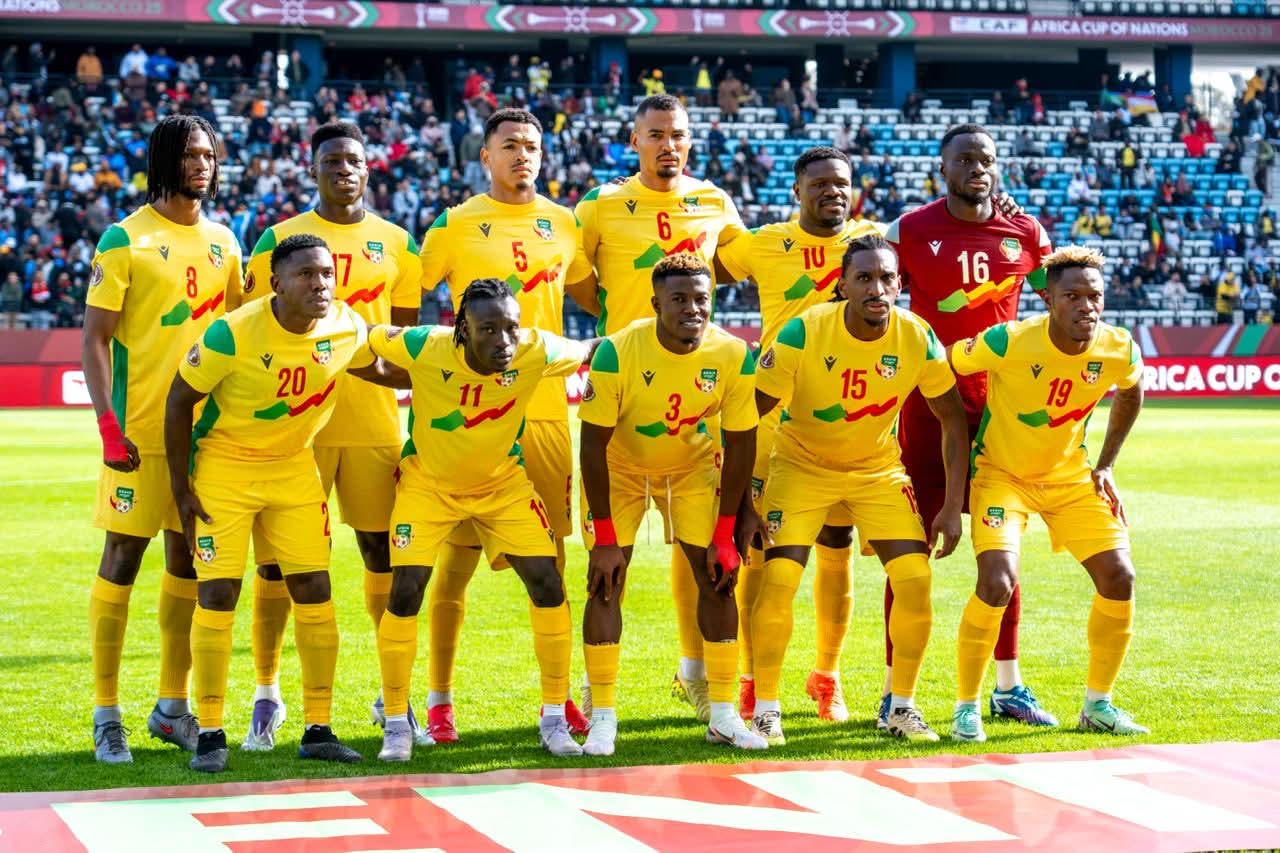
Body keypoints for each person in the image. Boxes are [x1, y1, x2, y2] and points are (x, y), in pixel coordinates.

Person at [163, 234, 395, 772]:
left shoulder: (346, 325)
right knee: (218, 593)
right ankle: (211, 732)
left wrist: (458, 374)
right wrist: (180, 488)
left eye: (326, 274)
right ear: (277, 284)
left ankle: (318, 728)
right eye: (306, 274)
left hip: (293, 467)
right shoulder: (232, 332)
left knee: (314, 588)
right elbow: (179, 399)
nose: (320, 284)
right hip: (225, 467)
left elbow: (379, 369)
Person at [232, 121, 425, 751]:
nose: (344, 169)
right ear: (312, 169)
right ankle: (267, 693)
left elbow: (402, 344)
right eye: (332, 160)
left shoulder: (398, 243)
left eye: (354, 160)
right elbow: (254, 326)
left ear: (369, 169)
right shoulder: (277, 240)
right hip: (295, 427)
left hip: (372, 422)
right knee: (275, 565)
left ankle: (392, 697)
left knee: (382, 554)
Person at [418, 108, 595, 742]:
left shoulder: (565, 223)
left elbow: (590, 296)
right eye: (510, 145)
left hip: (543, 409)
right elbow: (408, 300)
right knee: (456, 563)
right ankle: (439, 700)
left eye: (532, 146)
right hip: (471, 413)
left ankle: (560, 697)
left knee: (550, 561)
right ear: (485, 156)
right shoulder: (454, 224)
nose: (523, 155)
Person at [750, 233, 968, 745]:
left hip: (876, 470)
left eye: (887, 278)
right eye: (864, 278)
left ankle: (902, 707)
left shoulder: (917, 336)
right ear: (843, 284)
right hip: (801, 465)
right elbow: (748, 414)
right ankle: (765, 709)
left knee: (914, 578)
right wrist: (743, 498)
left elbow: (953, 419)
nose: (877, 288)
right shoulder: (804, 331)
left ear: (899, 284)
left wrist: (952, 505)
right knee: (779, 579)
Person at [575, 93, 749, 724]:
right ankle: (595, 689)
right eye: (655, 134)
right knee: (607, 556)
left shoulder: (715, 201)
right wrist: (620, 325)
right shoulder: (599, 204)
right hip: (623, 385)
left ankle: (697, 675)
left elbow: (733, 266)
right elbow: (577, 279)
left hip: (692, 393)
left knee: (699, 552)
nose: (667, 145)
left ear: (690, 140)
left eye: (677, 134)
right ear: (635, 140)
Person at [368, 279, 595, 761]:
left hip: (502, 486)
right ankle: (396, 723)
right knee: (406, 588)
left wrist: (646, 333)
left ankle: (554, 718)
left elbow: (592, 348)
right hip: (428, 486)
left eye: (511, 327)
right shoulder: (424, 345)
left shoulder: (536, 348)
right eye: (488, 329)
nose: (504, 340)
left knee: (547, 582)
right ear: (462, 329)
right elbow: (367, 338)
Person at [82, 114, 242, 765]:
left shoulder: (225, 242)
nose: (202, 164)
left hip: (204, 440)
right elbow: (94, 339)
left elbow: (237, 339)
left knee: (187, 563)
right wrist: (107, 426)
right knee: (122, 557)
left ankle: (172, 709)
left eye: (209, 155)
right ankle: (106, 712)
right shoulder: (125, 239)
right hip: (140, 434)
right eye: (190, 154)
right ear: (164, 160)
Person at [884, 123, 1053, 731]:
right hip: (926, 407)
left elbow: (1060, 296)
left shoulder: (1025, 231)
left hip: (997, 413)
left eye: (986, 159)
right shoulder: (908, 230)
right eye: (964, 160)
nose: (976, 168)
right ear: (943, 168)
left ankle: (1008, 687)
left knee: (1000, 548)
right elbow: (873, 294)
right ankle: (894, 692)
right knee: (910, 551)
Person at [948, 245, 1147, 742]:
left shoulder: (1118, 347)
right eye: (1072, 296)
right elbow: (946, 364)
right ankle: (966, 706)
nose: (1086, 306)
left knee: (1120, 576)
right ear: (1048, 300)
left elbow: (1132, 389)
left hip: (1069, 479)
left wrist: (1106, 464)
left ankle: (1098, 705)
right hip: (1002, 475)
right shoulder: (1009, 340)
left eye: (1094, 296)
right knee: (997, 582)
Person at [715, 146, 881, 724]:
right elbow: (700, 270)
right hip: (771, 418)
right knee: (758, 552)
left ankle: (826, 676)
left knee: (836, 549)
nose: (833, 191)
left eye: (842, 182)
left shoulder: (871, 239)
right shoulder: (763, 243)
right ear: (797, 191)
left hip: (841, 421)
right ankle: (751, 679)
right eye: (820, 184)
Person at [578, 253, 764, 755]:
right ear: (655, 303)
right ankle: (603, 716)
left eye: (701, 298)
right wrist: (605, 539)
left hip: (691, 470)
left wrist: (726, 531)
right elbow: (592, 446)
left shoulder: (732, 354)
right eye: (678, 299)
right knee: (606, 583)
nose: (692, 308)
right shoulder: (617, 351)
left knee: (718, 578)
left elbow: (742, 442)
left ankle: (723, 715)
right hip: (619, 470)